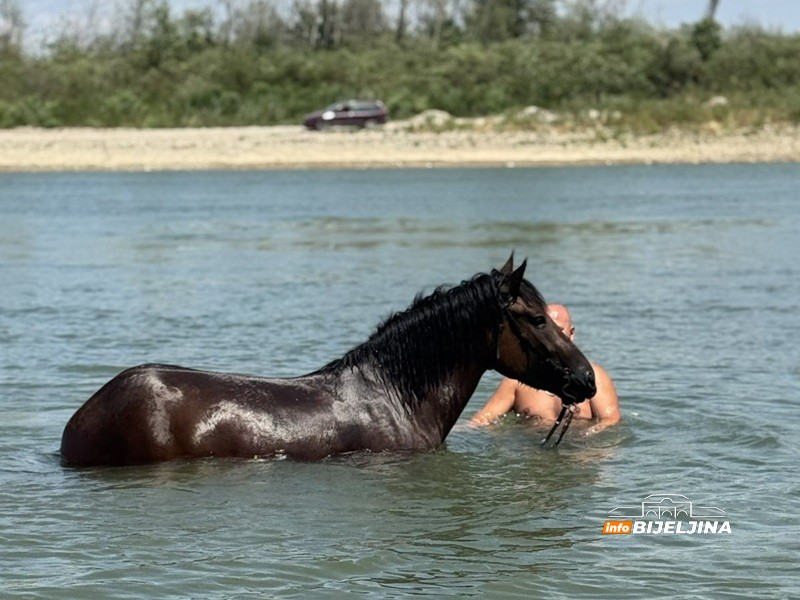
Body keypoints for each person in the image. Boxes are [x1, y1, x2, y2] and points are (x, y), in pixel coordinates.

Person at [470, 304, 620, 433]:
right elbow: (484, 418)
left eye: (559, 332)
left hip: (577, 454)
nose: (552, 340)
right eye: (547, 333)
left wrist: (586, 438)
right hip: (532, 456)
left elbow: (611, 420)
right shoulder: (517, 379)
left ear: (572, 333)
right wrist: (458, 432)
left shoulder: (593, 376)